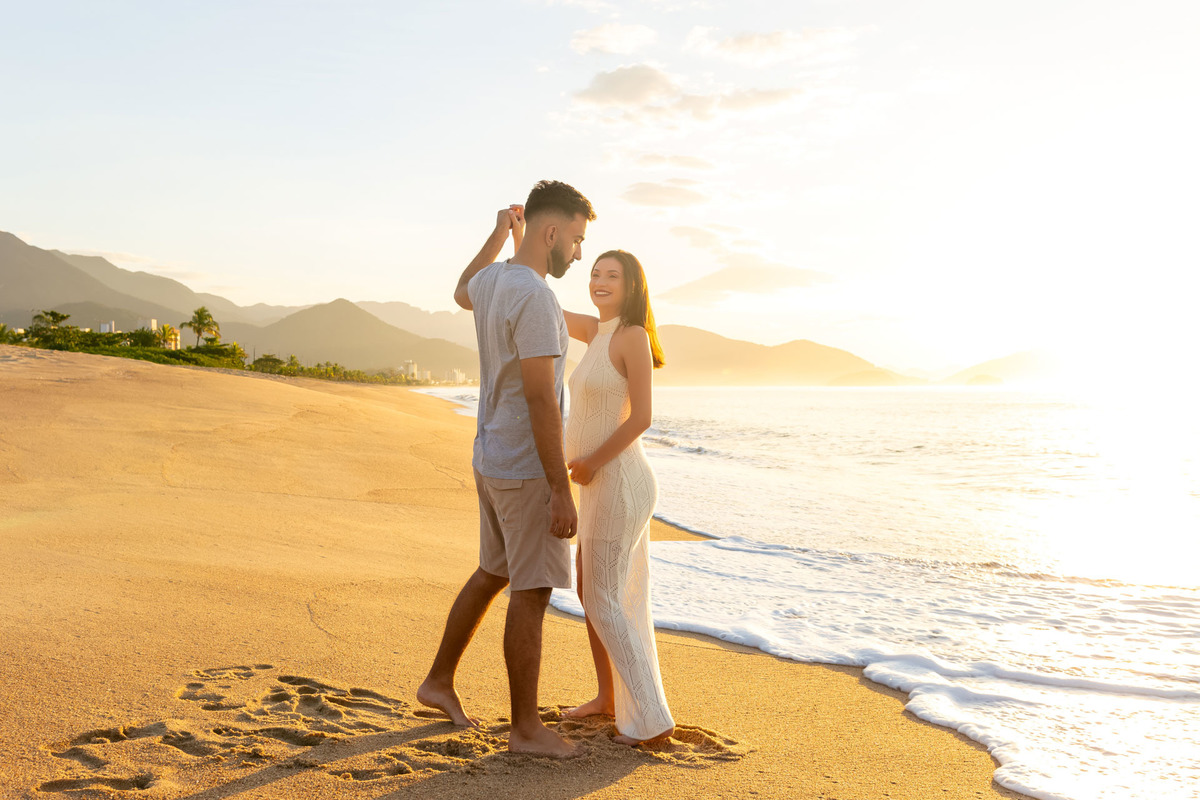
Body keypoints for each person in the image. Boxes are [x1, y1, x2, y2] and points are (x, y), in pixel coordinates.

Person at [417, 180, 596, 758]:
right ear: (551, 232)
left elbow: (461, 290)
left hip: (490, 456)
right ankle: (525, 729)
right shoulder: (537, 298)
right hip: (522, 467)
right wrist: (559, 490)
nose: (578, 252)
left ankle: (438, 682)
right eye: (574, 238)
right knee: (532, 589)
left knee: (492, 571)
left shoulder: (496, 280)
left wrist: (499, 233)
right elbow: (543, 399)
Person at [560, 249, 674, 746]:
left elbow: (642, 417)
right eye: (595, 274)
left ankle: (651, 721)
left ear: (632, 287)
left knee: (602, 597)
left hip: (621, 479)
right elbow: (540, 300)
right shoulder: (593, 331)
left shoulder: (632, 338)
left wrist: (591, 462)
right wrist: (522, 241)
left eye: (613, 276)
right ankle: (608, 698)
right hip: (599, 483)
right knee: (594, 592)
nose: (600, 282)